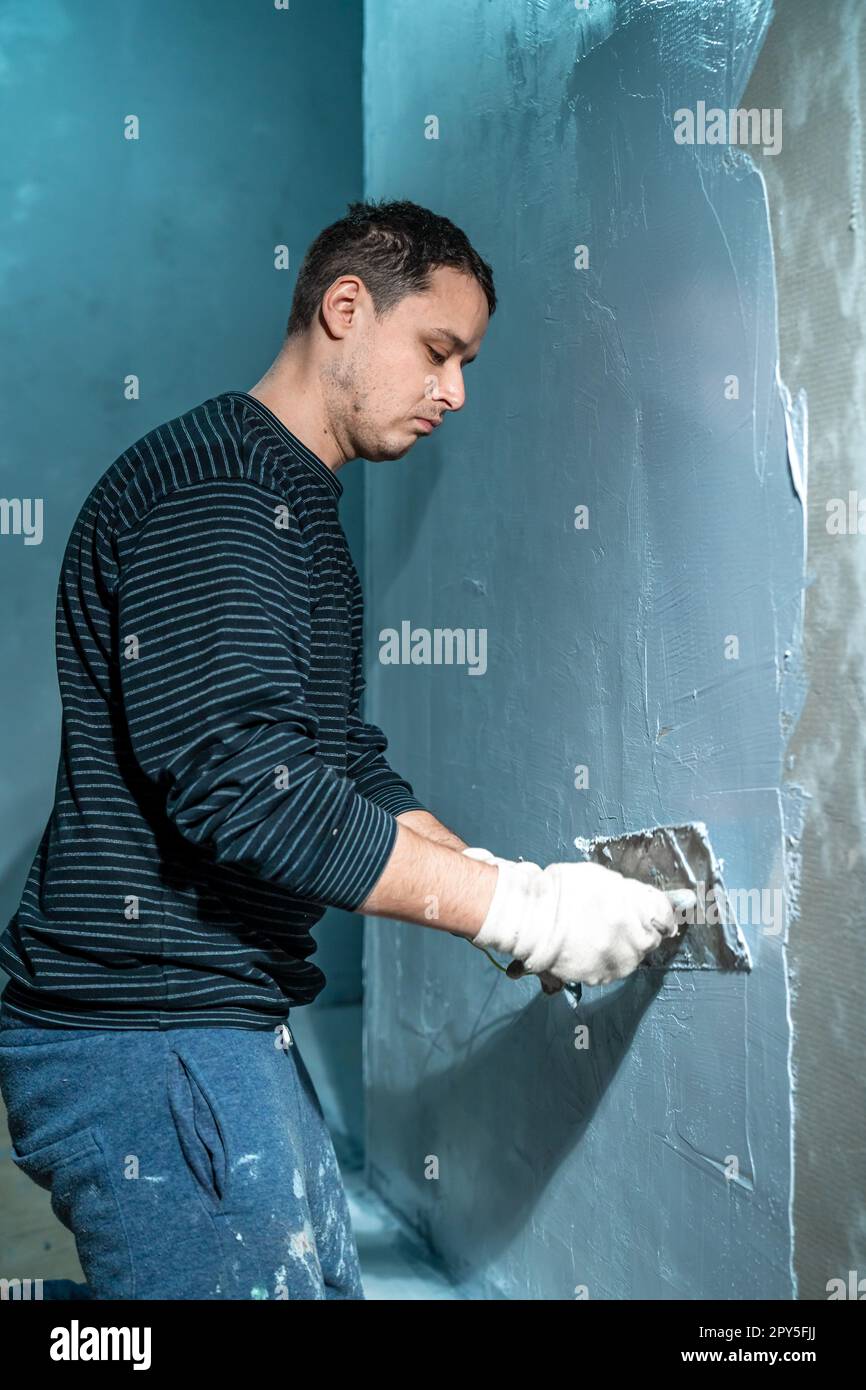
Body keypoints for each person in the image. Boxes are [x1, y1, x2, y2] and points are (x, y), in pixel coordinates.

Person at [0, 199, 676, 1300]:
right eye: (438, 351)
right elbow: (248, 795)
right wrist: (527, 914)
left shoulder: (288, 501)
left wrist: (511, 892)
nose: (455, 390)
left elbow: (333, 762)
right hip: (145, 1031)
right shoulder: (217, 489)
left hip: (217, 1021)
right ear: (344, 307)